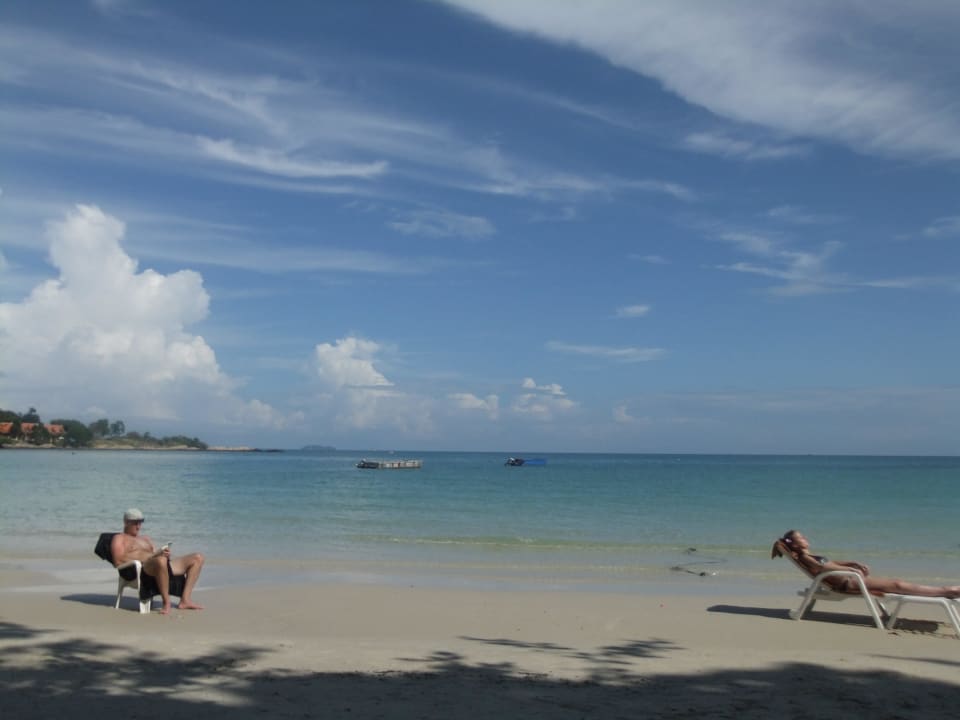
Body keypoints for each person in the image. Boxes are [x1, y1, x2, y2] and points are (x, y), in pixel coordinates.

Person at [774, 529, 960, 599]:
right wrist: (848, 569)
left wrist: (851, 562)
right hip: (849, 582)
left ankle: (945, 590)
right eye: (801, 538)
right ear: (796, 544)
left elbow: (830, 563)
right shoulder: (805, 558)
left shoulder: (810, 555)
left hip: (851, 578)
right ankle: (947, 591)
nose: (805, 538)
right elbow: (824, 568)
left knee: (896, 583)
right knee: (897, 585)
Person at [110, 508, 205, 614]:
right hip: (143, 569)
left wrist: (164, 553)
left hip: (159, 564)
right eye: (135, 523)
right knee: (160, 560)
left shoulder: (145, 539)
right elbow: (118, 560)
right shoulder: (119, 538)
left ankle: (185, 600)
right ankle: (166, 603)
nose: (138, 526)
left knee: (198, 558)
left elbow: (155, 553)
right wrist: (150, 557)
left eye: (140, 523)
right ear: (126, 522)